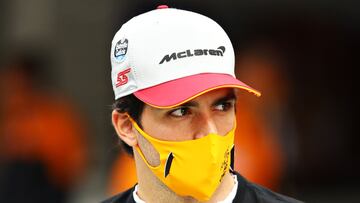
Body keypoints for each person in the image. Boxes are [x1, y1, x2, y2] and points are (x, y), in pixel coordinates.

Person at [103, 5, 302, 203]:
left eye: (222, 107)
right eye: (181, 111)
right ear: (126, 126)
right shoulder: (127, 172)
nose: (210, 131)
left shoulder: (254, 134)